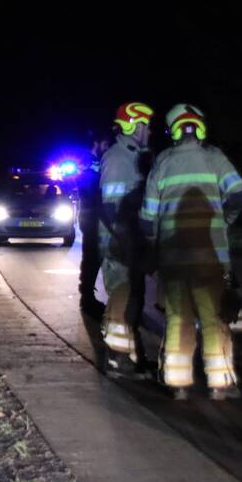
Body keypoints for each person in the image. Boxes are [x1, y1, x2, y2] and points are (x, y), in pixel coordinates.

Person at [140, 104, 242, 401]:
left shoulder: (162, 162)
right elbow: (239, 194)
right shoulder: (215, 158)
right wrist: (225, 220)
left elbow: (147, 217)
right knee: (214, 318)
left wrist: (155, 243)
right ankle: (220, 383)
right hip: (212, 258)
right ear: (200, 127)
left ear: (173, 130)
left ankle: (177, 383)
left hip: (173, 259)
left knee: (178, 318)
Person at [99, 102, 154, 378]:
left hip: (130, 240)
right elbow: (111, 207)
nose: (149, 131)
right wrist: (123, 241)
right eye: (146, 126)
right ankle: (117, 357)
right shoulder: (118, 159)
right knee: (123, 296)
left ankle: (132, 356)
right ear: (134, 126)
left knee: (134, 297)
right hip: (119, 242)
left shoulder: (134, 156)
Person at [79, 130, 111, 316]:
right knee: (92, 258)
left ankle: (88, 297)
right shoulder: (89, 162)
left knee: (93, 258)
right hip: (92, 216)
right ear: (97, 143)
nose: (106, 148)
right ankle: (87, 299)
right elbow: (91, 188)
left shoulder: (92, 161)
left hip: (91, 215)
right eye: (105, 144)